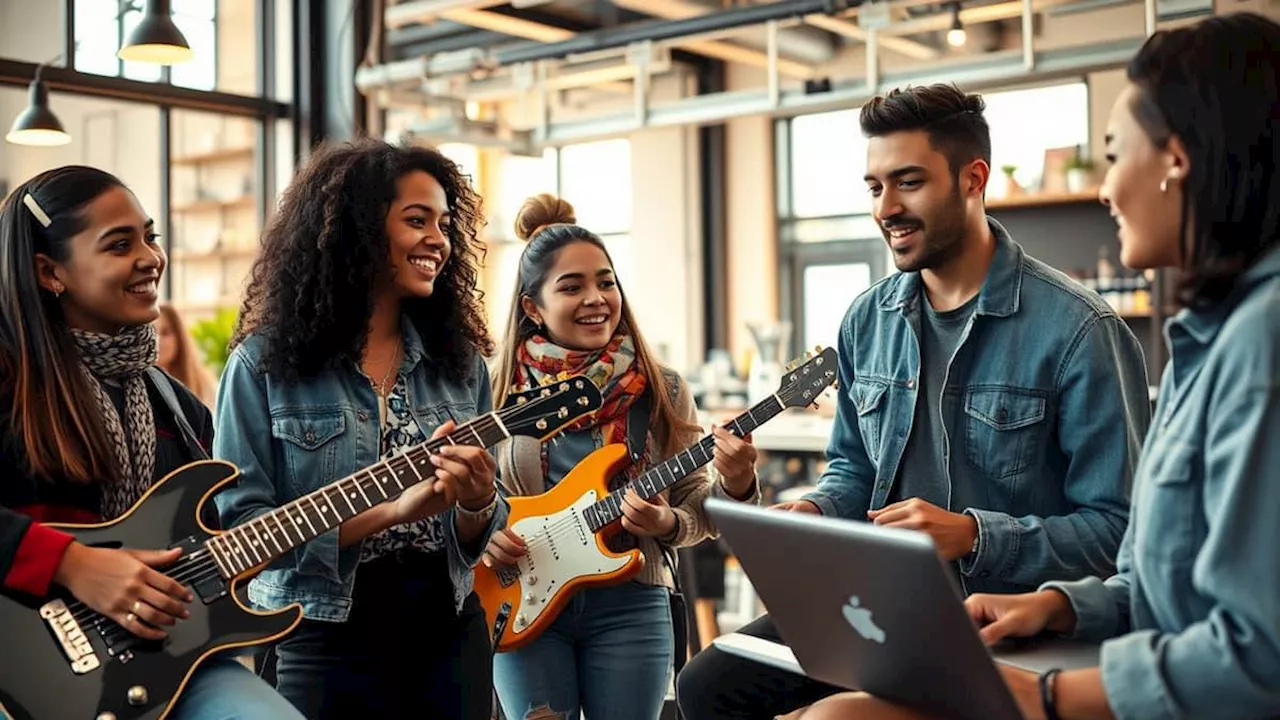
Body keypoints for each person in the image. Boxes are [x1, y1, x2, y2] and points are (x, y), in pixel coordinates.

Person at [800, 12, 1280, 720]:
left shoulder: (1231, 343)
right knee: (718, 683)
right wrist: (1055, 606)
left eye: (1116, 156)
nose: (1107, 189)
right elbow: (1151, 580)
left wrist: (1046, 691)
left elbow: (1245, 649)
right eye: (875, 187)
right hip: (939, 613)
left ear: (1177, 160)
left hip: (1124, 675)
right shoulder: (1203, 342)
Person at [676, 83, 1152, 719]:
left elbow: (1120, 532)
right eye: (875, 187)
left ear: (972, 179)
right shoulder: (866, 320)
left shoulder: (1079, 332)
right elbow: (855, 470)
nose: (886, 208)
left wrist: (975, 535)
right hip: (878, 608)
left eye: (908, 183)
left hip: (1009, 621)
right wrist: (816, 512)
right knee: (706, 687)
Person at [212, 138, 507, 720]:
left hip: (445, 623)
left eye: (445, 224)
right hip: (317, 629)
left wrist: (476, 501)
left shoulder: (462, 365)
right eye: (416, 220)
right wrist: (392, 512)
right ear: (360, 230)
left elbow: (480, 532)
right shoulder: (264, 363)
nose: (438, 240)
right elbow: (242, 532)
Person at [0, 166, 302, 720]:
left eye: (150, 236)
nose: (151, 257)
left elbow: (211, 539)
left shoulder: (178, 406)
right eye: (120, 244)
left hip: (162, 662)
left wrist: (390, 508)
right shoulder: (10, 383)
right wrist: (71, 564)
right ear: (50, 272)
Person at [483, 194, 761, 720]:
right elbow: (465, 497)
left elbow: (699, 505)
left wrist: (715, 494)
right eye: (572, 286)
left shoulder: (661, 388)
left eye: (605, 282)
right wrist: (483, 528)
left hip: (633, 603)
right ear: (532, 308)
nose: (596, 298)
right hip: (521, 600)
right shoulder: (495, 393)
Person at [156, 302, 216, 408]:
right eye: (152, 332)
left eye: (165, 333)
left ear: (180, 337)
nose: (158, 340)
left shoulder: (204, 385)